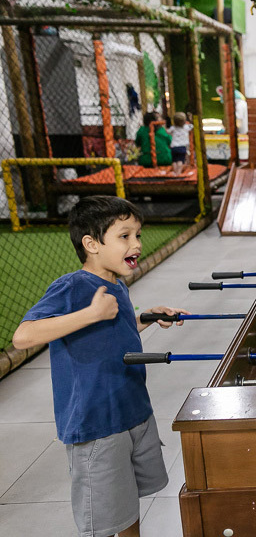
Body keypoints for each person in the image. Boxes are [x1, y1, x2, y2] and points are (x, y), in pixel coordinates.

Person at [11, 196, 190, 537]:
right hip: (96, 424)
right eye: (125, 236)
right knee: (104, 520)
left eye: (137, 235)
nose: (136, 243)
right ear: (91, 244)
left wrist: (146, 318)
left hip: (131, 412)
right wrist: (90, 314)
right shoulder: (73, 286)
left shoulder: (115, 285)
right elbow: (23, 336)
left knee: (126, 505)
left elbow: (112, 327)